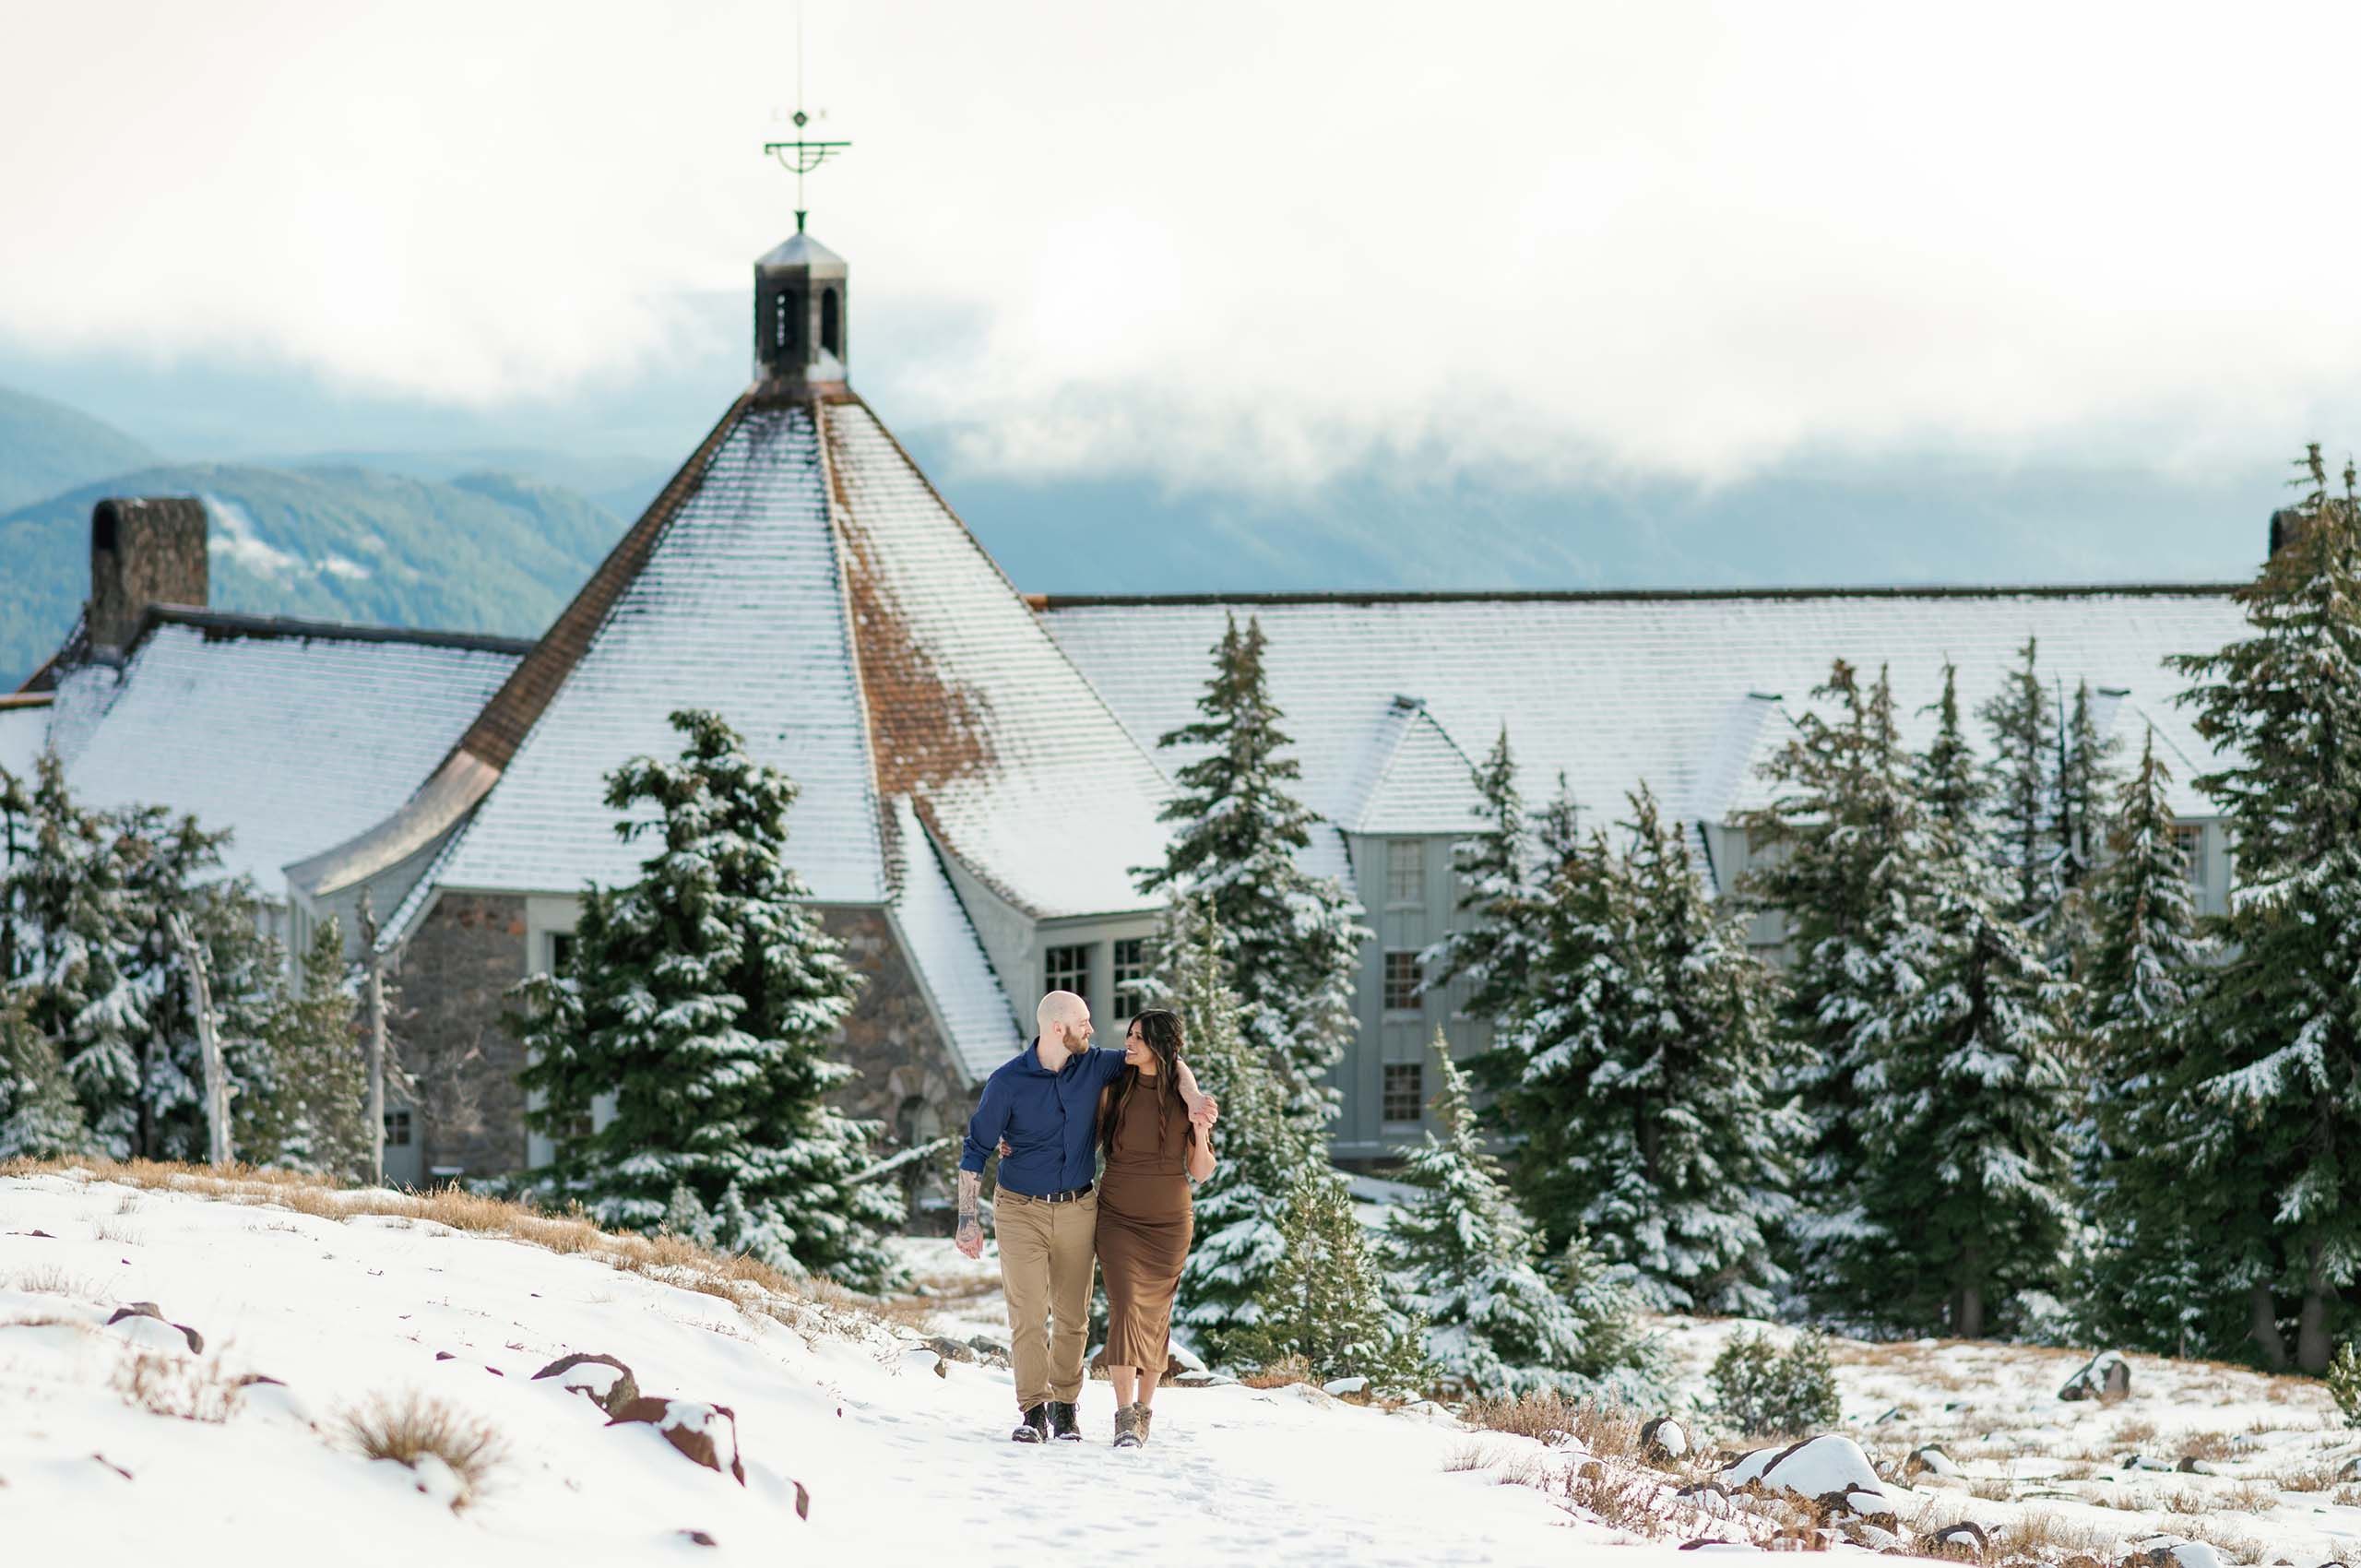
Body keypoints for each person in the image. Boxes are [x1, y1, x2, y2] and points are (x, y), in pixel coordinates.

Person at [957, 990, 1216, 1443]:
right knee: (1030, 1314)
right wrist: (966, 1219)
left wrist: (1193, 1096)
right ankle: (1033, 1410)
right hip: (1019, 1208)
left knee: (1074, 1317)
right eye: (1085, 1021)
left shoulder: (1097, 1065)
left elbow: (1168, 1056)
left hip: (1079, 1206)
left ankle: (1065, 1407)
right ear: (1059, 1028)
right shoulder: (1006, 1082)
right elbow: (975, 1149)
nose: (1093, 1030)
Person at [1095, 1007, 1216, 1450]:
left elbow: (1200, 1172)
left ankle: (1146, 1409)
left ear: (1161, 1046)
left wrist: (1200, 1132)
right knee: (1126, 1306)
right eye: (1129, 1034)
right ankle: (1124, 1416)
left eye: (1139, 1038)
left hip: (1169, 1224)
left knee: (1156, 1318)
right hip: (1118, 1218)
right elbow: (1080, 1138)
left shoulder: (1187, 1100)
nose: (1129, 1043)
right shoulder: (1115, 1086)